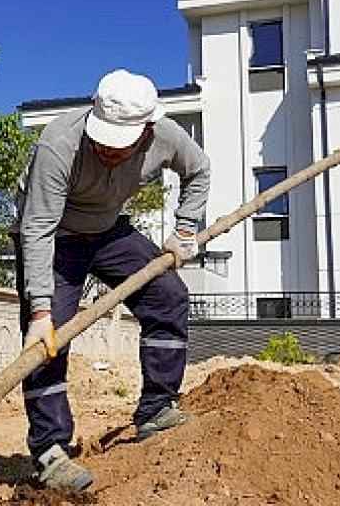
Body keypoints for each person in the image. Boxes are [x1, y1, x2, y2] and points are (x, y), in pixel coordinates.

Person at [14, 69, 211, 492]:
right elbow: (37, 229)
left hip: (109, 231)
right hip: (57, 237)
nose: (109, 151)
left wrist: (185, 228)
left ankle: (156, 408)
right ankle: (50, 451)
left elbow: (200, 171)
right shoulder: (59, 142)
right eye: (103, 141)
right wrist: (40, 311)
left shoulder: (168, 136)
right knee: (49, 341)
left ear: (147, 129)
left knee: (168, 296)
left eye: (119, 145)